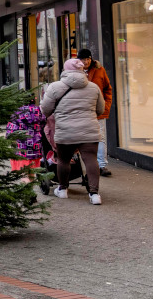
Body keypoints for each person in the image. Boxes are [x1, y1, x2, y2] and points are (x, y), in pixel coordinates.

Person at [40, 57, 105, 205]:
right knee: (91, 159)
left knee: (63, 159)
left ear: (65, 70)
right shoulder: (94, 87)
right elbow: (100, 110)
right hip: (89, 131)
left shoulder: (55, 87)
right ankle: (94, 194)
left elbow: (45, 110)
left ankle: (62, 190)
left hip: (65, 131)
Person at [78, 48, 114, 177]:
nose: (86, 61)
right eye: (83, 59)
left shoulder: (100, 70)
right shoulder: (74, 71)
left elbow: (107, 89)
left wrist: (106, 106)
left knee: (100, 137)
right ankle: (84, 165)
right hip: (81, 111)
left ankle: (102, 165)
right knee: (80, 137)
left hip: (98, 110)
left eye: (88, 59)